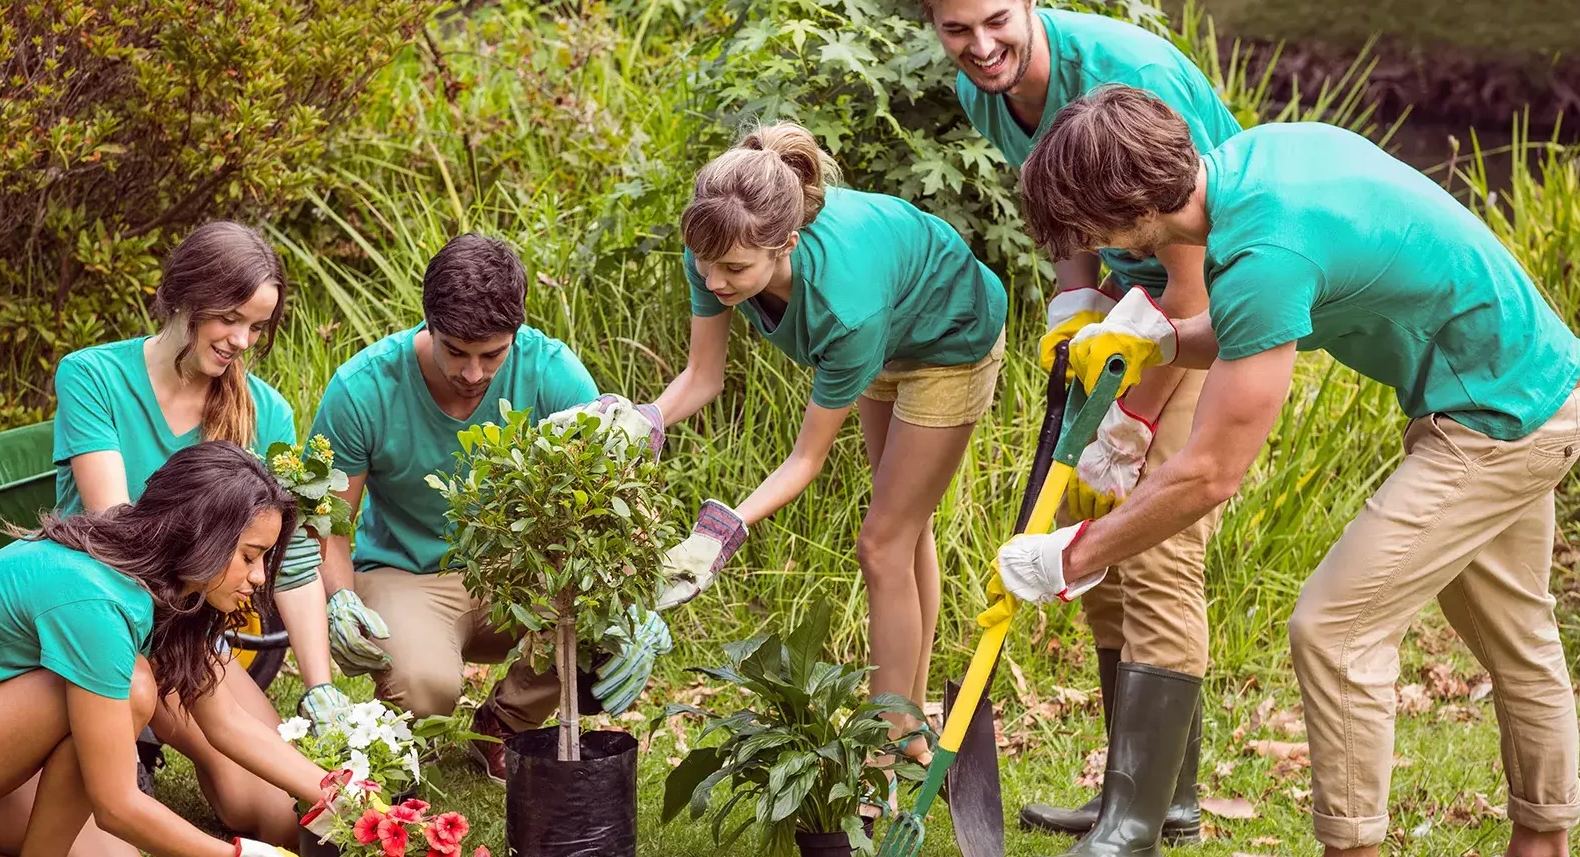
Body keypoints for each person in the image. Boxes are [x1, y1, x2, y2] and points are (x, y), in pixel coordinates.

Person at [997, 85, 1580, 857]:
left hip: (1498, 420)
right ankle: (1542, 844)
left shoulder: (1263, 256)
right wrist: (1163, 341)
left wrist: (1071, 556)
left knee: (1334, 628)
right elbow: (1252, 323)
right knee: (1518, 634)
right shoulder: (1253, 167)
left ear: (1132, 210)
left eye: (1087, 224)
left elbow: (1209, 472)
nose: (1087, 240)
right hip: (1537, 383)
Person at [577, 123, 1007, 767]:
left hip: (950, 338)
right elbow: (703, 376)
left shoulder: (843, 307)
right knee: (905, 529)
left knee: (882, 541)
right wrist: (643, 421)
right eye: (706, 264)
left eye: (734, 270)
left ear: (787, 245)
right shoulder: (715, 241)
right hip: (887, 332)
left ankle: (883, 753)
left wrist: (721, 530)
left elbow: (806, 459)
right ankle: (914, 730)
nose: (715, 280)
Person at [924, 0, 1243, 837]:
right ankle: (1137, 796)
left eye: (995, 20)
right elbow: (1063, 203)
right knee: (1090, 530)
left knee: (1155, 534)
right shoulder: (983, 89)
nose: (981, 47)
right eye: (956, 31)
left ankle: (1147, 819)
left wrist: (1132, 426)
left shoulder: (1125, 75)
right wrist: (1076, 295)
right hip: (1128, 298)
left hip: (1213, 300)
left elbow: (1192, 283)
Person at [0, 442, 332, 857]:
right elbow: (116, 805)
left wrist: (344, 792)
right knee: (134, 689)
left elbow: (227, 723)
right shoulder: (97, 598)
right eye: (250, 556)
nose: (260, 577)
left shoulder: (169, 584)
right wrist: (237, 855)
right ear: (201, 536)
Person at [52, 220, 341, 844]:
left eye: (257, 327)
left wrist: (320, 689)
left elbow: (287, 563)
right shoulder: (93, 377)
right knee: (114, 830)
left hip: (191, 634)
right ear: (184, 298)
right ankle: (123, 746)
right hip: (109, 621)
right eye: (229, 319)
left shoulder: (265, 412)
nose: (241, 340)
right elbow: (119, 531)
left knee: (270, 812)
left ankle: (145, 744)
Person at [312, 234, 603, 784]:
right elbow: (329, 525)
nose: (473, 374)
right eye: (455, 352)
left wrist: (628, 615)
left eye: (492, 354)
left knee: (601, 626)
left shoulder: (556, 375)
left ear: (517, 333)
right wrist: (340, 598)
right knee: (427, 691)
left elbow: (604, 509)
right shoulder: (361, 388)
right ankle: (418, 719)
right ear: (427, 325)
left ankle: (506, 721)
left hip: (517, 574)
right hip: (406, 574)